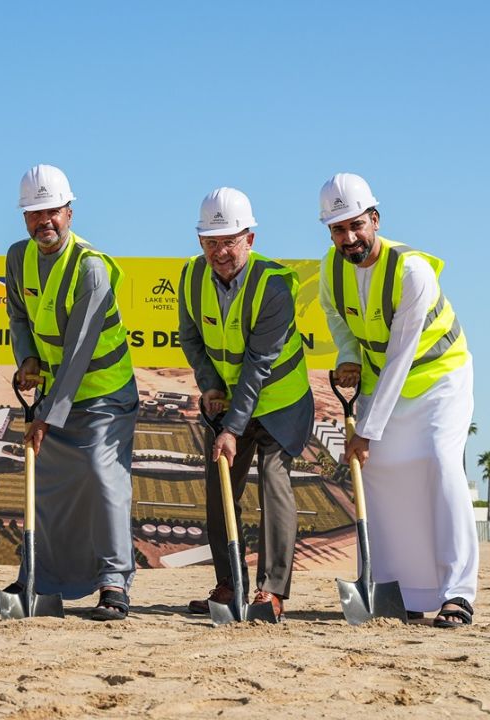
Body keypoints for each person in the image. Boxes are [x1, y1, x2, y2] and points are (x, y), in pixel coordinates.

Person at [0, 164, 139, 621]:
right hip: (55, 392)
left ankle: (113, 583)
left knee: (103, 479)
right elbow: (18, 316)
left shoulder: (91, 268)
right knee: (45, 489)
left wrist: (45, 416)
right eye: (33, 212)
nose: (43, 220)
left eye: (52, 211)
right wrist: (27, 357)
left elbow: (80, 351)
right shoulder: (17, 256)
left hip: (104, 394)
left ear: (69, 212)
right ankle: (37, 580)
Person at [317, 172, 478, 628]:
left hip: (439, 377)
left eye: (356, 225)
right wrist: (348, 355)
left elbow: (401, 356)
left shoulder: (411, 271)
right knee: (379, 472)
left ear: (375, 219)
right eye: (338, 229)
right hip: (383, 377)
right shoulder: (330, 269)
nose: (349, 238)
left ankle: (458, 593)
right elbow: (336, 316)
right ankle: (397, 591)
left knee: (440, 463)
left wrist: (366, 431)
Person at [177, 188, 312, 622]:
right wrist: (210, 385)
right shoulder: (190, 276)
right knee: (219, 487)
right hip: (231, 401)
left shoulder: (274, 286)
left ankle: (271, 590)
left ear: (249, 240)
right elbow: (191, 338)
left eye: (229, 241)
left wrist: (232, 429)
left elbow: (257, 365)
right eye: (211, 242)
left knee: (273, 481)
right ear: (200, 242)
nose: (220, 251)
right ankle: (229, 582)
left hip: (279, 401)